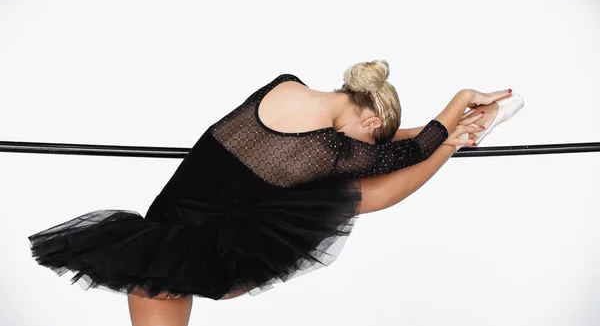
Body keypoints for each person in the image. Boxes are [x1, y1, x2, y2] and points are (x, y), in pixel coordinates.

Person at [27, 60, 523, 326]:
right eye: (368, 136)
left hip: (164, 225)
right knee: (362, 194)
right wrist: (458, 105)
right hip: (204, 244)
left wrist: (438, 125)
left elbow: (373, 144)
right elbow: (402, 158)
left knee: (351, 189)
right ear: (370, 118)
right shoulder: (326, 151)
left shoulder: (285, 86)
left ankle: (460, 135)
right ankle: (462, 139)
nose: (357, 149)